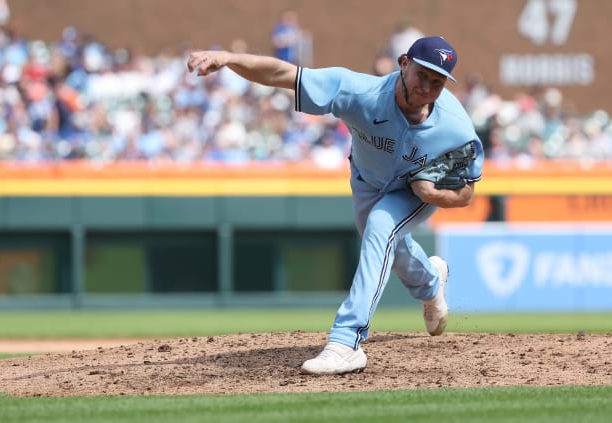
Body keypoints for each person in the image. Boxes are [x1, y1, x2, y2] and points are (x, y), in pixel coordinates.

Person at [187, 35, 484, 375]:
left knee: (381, 227)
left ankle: (346, 342)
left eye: (438, 81)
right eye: (422, 74)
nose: (427, 86)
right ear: (403, 63)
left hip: (414, 193)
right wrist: (228, 57)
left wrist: (435, 196)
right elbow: (283, 75)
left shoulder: (456, 129)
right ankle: (432, 282)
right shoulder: (360, 92)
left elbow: (467, 193)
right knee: (390, 246)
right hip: (366, 182)